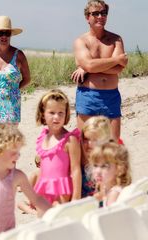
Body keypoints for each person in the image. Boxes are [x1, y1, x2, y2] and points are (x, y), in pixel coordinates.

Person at [71, 0, 127, 141]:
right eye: (95, 13)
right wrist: (115, 60)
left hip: (111, 96)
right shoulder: (81, 41)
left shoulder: (116, 39)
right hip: (88, 96)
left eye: (103, 13)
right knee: (86, 143)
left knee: (112, 144)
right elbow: (91, 64)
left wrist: (89, 68)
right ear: (87, 17)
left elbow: (119, 68)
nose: (100, 17)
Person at [34, 89, 82, 204]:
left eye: (61, 113)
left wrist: (76, 198)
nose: (57, 117)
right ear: (43, 114)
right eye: (52, 113)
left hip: (61, 190)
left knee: (55, 212)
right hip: (44, 187)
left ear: (66, 115)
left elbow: (75, 170)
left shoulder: (70, 140)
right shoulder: (43, 136)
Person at [0, 16, 30, 126]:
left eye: (7, 33)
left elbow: (27, 79)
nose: (4, 36)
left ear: (10, 35)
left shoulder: (19, 55)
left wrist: (13, 89)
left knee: (10, 140)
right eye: (0, 33)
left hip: (11, 104)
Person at [80, 116, 114, 197]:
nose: (89, 144)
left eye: (95, 140)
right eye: (86, 139)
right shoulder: (78, 161)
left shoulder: (109, 163)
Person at [89, 142, 131, 206]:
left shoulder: (114, 194)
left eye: (104, 166)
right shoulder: (108, 188)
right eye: (95, 165)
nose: (98, 171)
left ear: (119, 169)